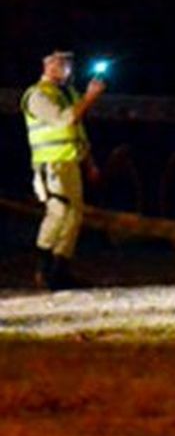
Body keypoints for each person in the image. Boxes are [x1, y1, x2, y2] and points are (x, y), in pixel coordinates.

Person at [22, 50, 105, 291]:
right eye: (62, 62)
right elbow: (64, 120)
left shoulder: (67, 93)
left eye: (69, 62)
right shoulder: (37, 95)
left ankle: (60, 270)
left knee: (73, 215)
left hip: (69, 162)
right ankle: (43, 268)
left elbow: (77, 132)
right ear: (47, 65)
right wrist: (90, 97)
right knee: (58, 212)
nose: (68, 67)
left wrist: (89, 162)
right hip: (51, 165)